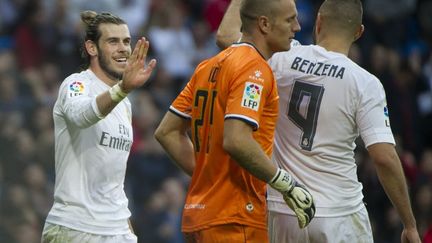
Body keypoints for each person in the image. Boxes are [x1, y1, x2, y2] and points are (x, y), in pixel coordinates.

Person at [216, 0, 422, 242]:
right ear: (358, 32)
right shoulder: (365, 83)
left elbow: (226, 37)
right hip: (339, 213)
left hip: (284, 210)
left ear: (318, 22)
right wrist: (409, 223)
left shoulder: (281, 58)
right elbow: (384, 157)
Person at [154, 0, 315, 242]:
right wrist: (287, 184)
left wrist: (208, 176)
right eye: (289, 19)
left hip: (200, 216)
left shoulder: (206, 66)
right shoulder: (254, 69)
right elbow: (236, 139)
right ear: (264, 24)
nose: (297, 26)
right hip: (235, 219)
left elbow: (167, 132)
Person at [41, 11, 156, 243]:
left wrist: (127, 229)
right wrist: (122, 88)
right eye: (113, 41)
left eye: (126, 41)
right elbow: (82, 116)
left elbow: (112, 183)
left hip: (116, 229)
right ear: (92, 48)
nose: (123, 48)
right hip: (75, 227)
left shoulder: (124, 103)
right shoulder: (76, 84)